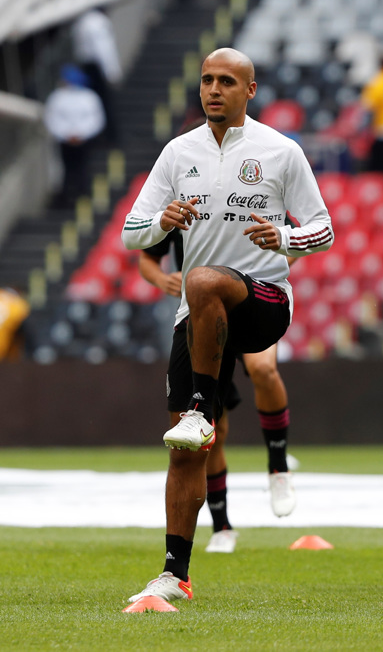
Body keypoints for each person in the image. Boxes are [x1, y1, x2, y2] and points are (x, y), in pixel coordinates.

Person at [121, 48, 332, 603]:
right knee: (183, 452)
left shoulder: (281, 152)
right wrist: (158, 222)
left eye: (226, 81)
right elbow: (131, 231)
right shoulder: (177, 153)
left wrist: (284, 239)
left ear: (250, 90)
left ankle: (203, 410)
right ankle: (175, 572)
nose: (213, 89)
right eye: (207, 80)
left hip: (263, 298)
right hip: (199, 314)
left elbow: (324, 230)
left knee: (206, 281)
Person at [139, 230, 300, 553]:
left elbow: (299, 235)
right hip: (204, 310)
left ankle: (278, 467)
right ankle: (222, 526)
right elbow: (147, 258)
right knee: (214, 427)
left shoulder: (253, 190)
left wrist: (272, 267)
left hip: (249, 299)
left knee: (264, 369)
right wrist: (162, 280)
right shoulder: (185, 197)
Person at [44, 64, 106, 209]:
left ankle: (83, 196)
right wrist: (67, 134)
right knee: (64, 169)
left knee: (83, 167)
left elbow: (96, 120)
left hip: (83, 141)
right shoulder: (57, 97)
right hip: (65, 141)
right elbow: (51, 119)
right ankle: (64, 198)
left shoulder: (89, 97)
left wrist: (80, 134)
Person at [71, 8, 122, 142]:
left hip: (89, 66)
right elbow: (104, 49)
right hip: (94, 67)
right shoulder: (95, 21)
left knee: (95, 102)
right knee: (101, 101)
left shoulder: (86, 21)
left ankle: (104, 136)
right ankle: (109, 136)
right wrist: (112, 72)